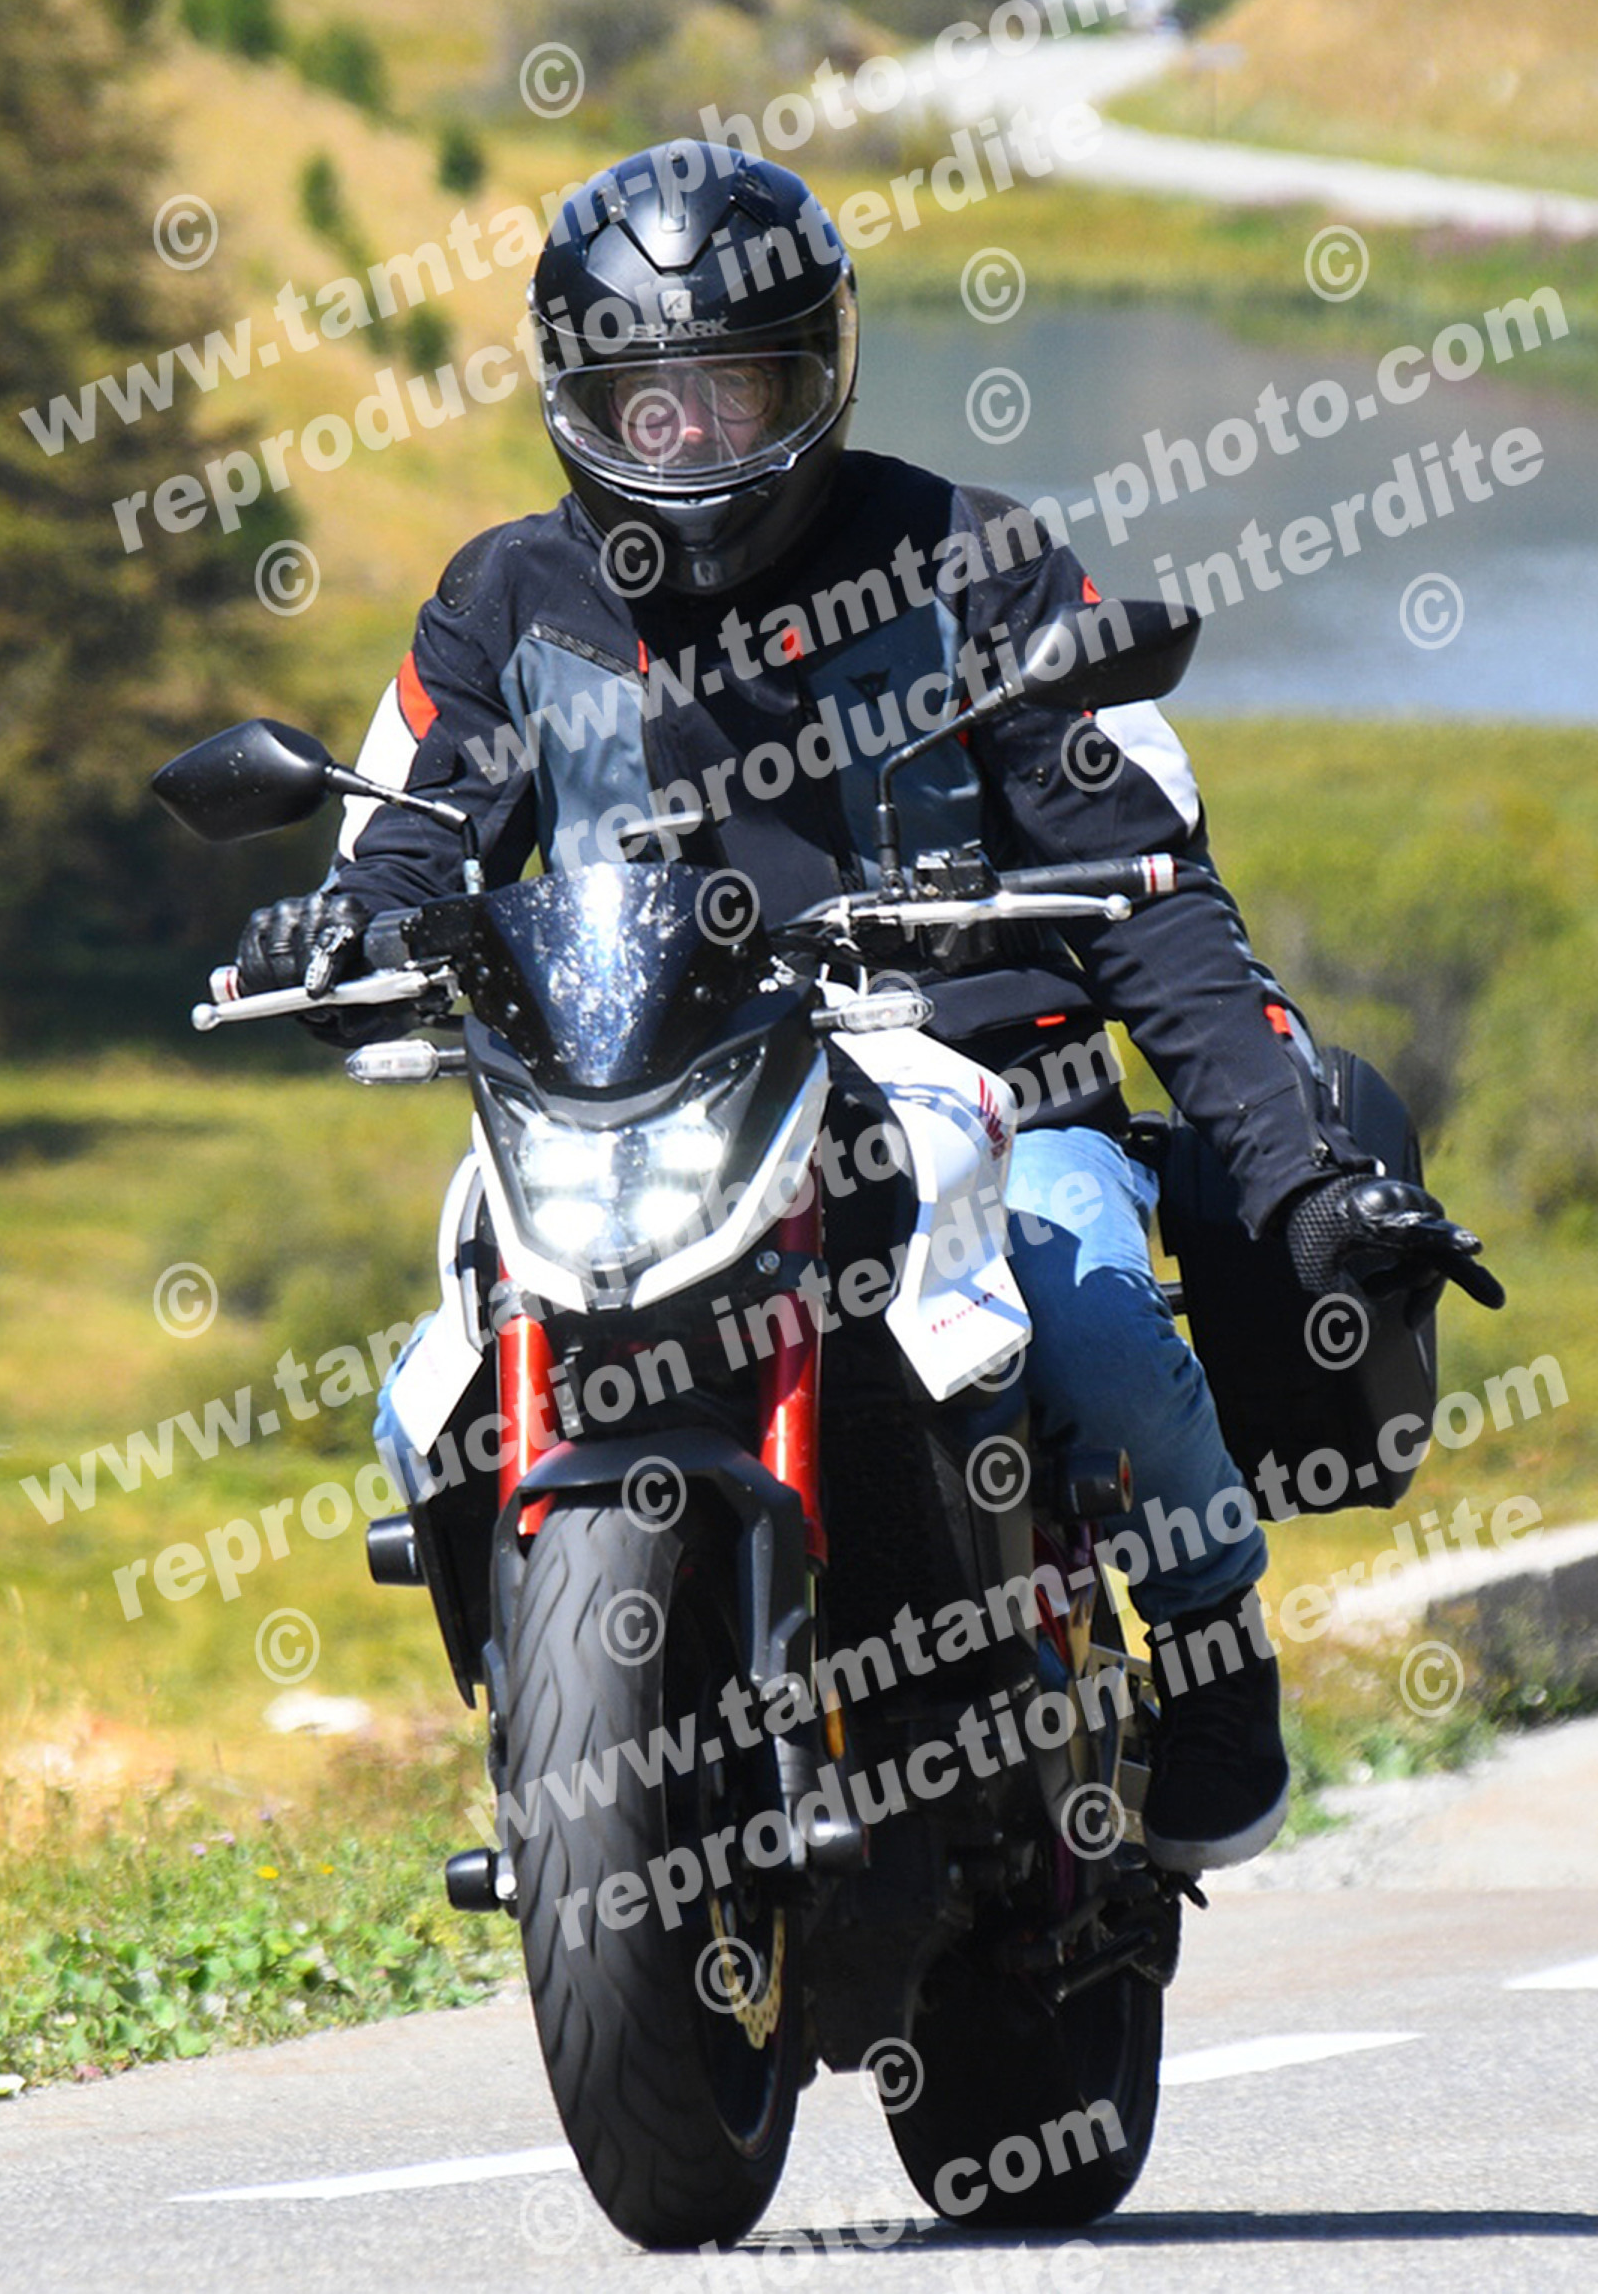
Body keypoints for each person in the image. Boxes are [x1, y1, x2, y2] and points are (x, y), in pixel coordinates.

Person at [236, 140, 1498, 1873]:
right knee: (420, 1406)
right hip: (646, 1106)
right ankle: (564, 1749)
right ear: (576, 398)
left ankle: (1213, 1642)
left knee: (1101, 1334)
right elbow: (413, 831)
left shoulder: (979, 563)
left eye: (734, 392)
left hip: (983, 1088)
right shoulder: (509, 599)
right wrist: (337, 926)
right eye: (650, 402)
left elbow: (1154, 899)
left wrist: (1300, 1178)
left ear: (812, 375)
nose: (693, 438)